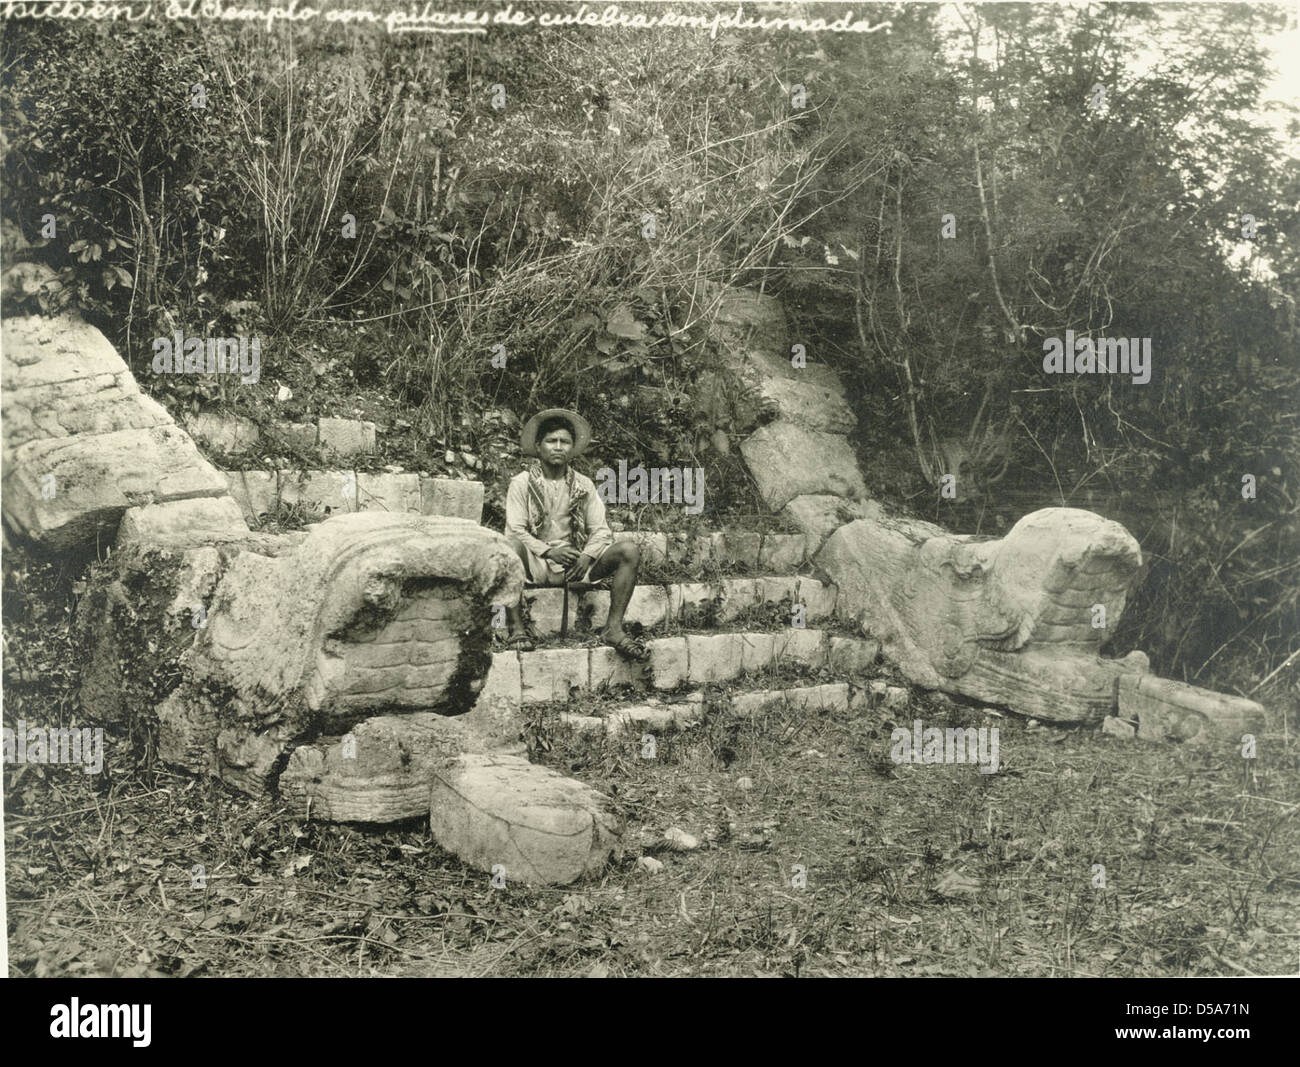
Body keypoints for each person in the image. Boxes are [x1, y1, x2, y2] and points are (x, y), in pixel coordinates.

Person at [502, 408, 649, 661]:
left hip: (575, 566)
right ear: (539, 447)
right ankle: (516, 628)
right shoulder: (522, 482)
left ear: (571, 448)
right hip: (535, 564)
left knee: (628, 550)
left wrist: (586, 557)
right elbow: (515, 528)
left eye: (564, 442)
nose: (558, 447)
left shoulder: (583, 485)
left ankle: (613, 629)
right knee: (508, 544)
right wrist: (548, 551)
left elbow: (601, 530)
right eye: (551, 441)